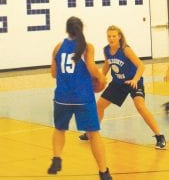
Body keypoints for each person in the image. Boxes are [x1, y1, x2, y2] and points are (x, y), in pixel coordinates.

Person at [79, 25, 166, 150]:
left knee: (140, 106)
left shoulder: (126, 49)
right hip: (118, 83)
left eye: (114, 36)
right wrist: (101, 77)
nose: (111, 38)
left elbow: (141, 66)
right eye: (109, 36)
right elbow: (107, 64)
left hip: (133, 81)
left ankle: (159, 136)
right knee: (100, 105)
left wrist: (135, 80)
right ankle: (91, 133)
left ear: (119, 37)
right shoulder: (106, 50)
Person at [47, 17, 112, 180]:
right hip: (83, 97)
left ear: (67, 30)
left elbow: (53, 73)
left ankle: (57, 158)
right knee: (93, 134)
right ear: (81, 29)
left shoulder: (58, 47)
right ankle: (103, 172)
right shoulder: (86, 47)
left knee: (59, 129)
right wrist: (102, 79)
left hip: (62, 97)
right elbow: (91, 68)